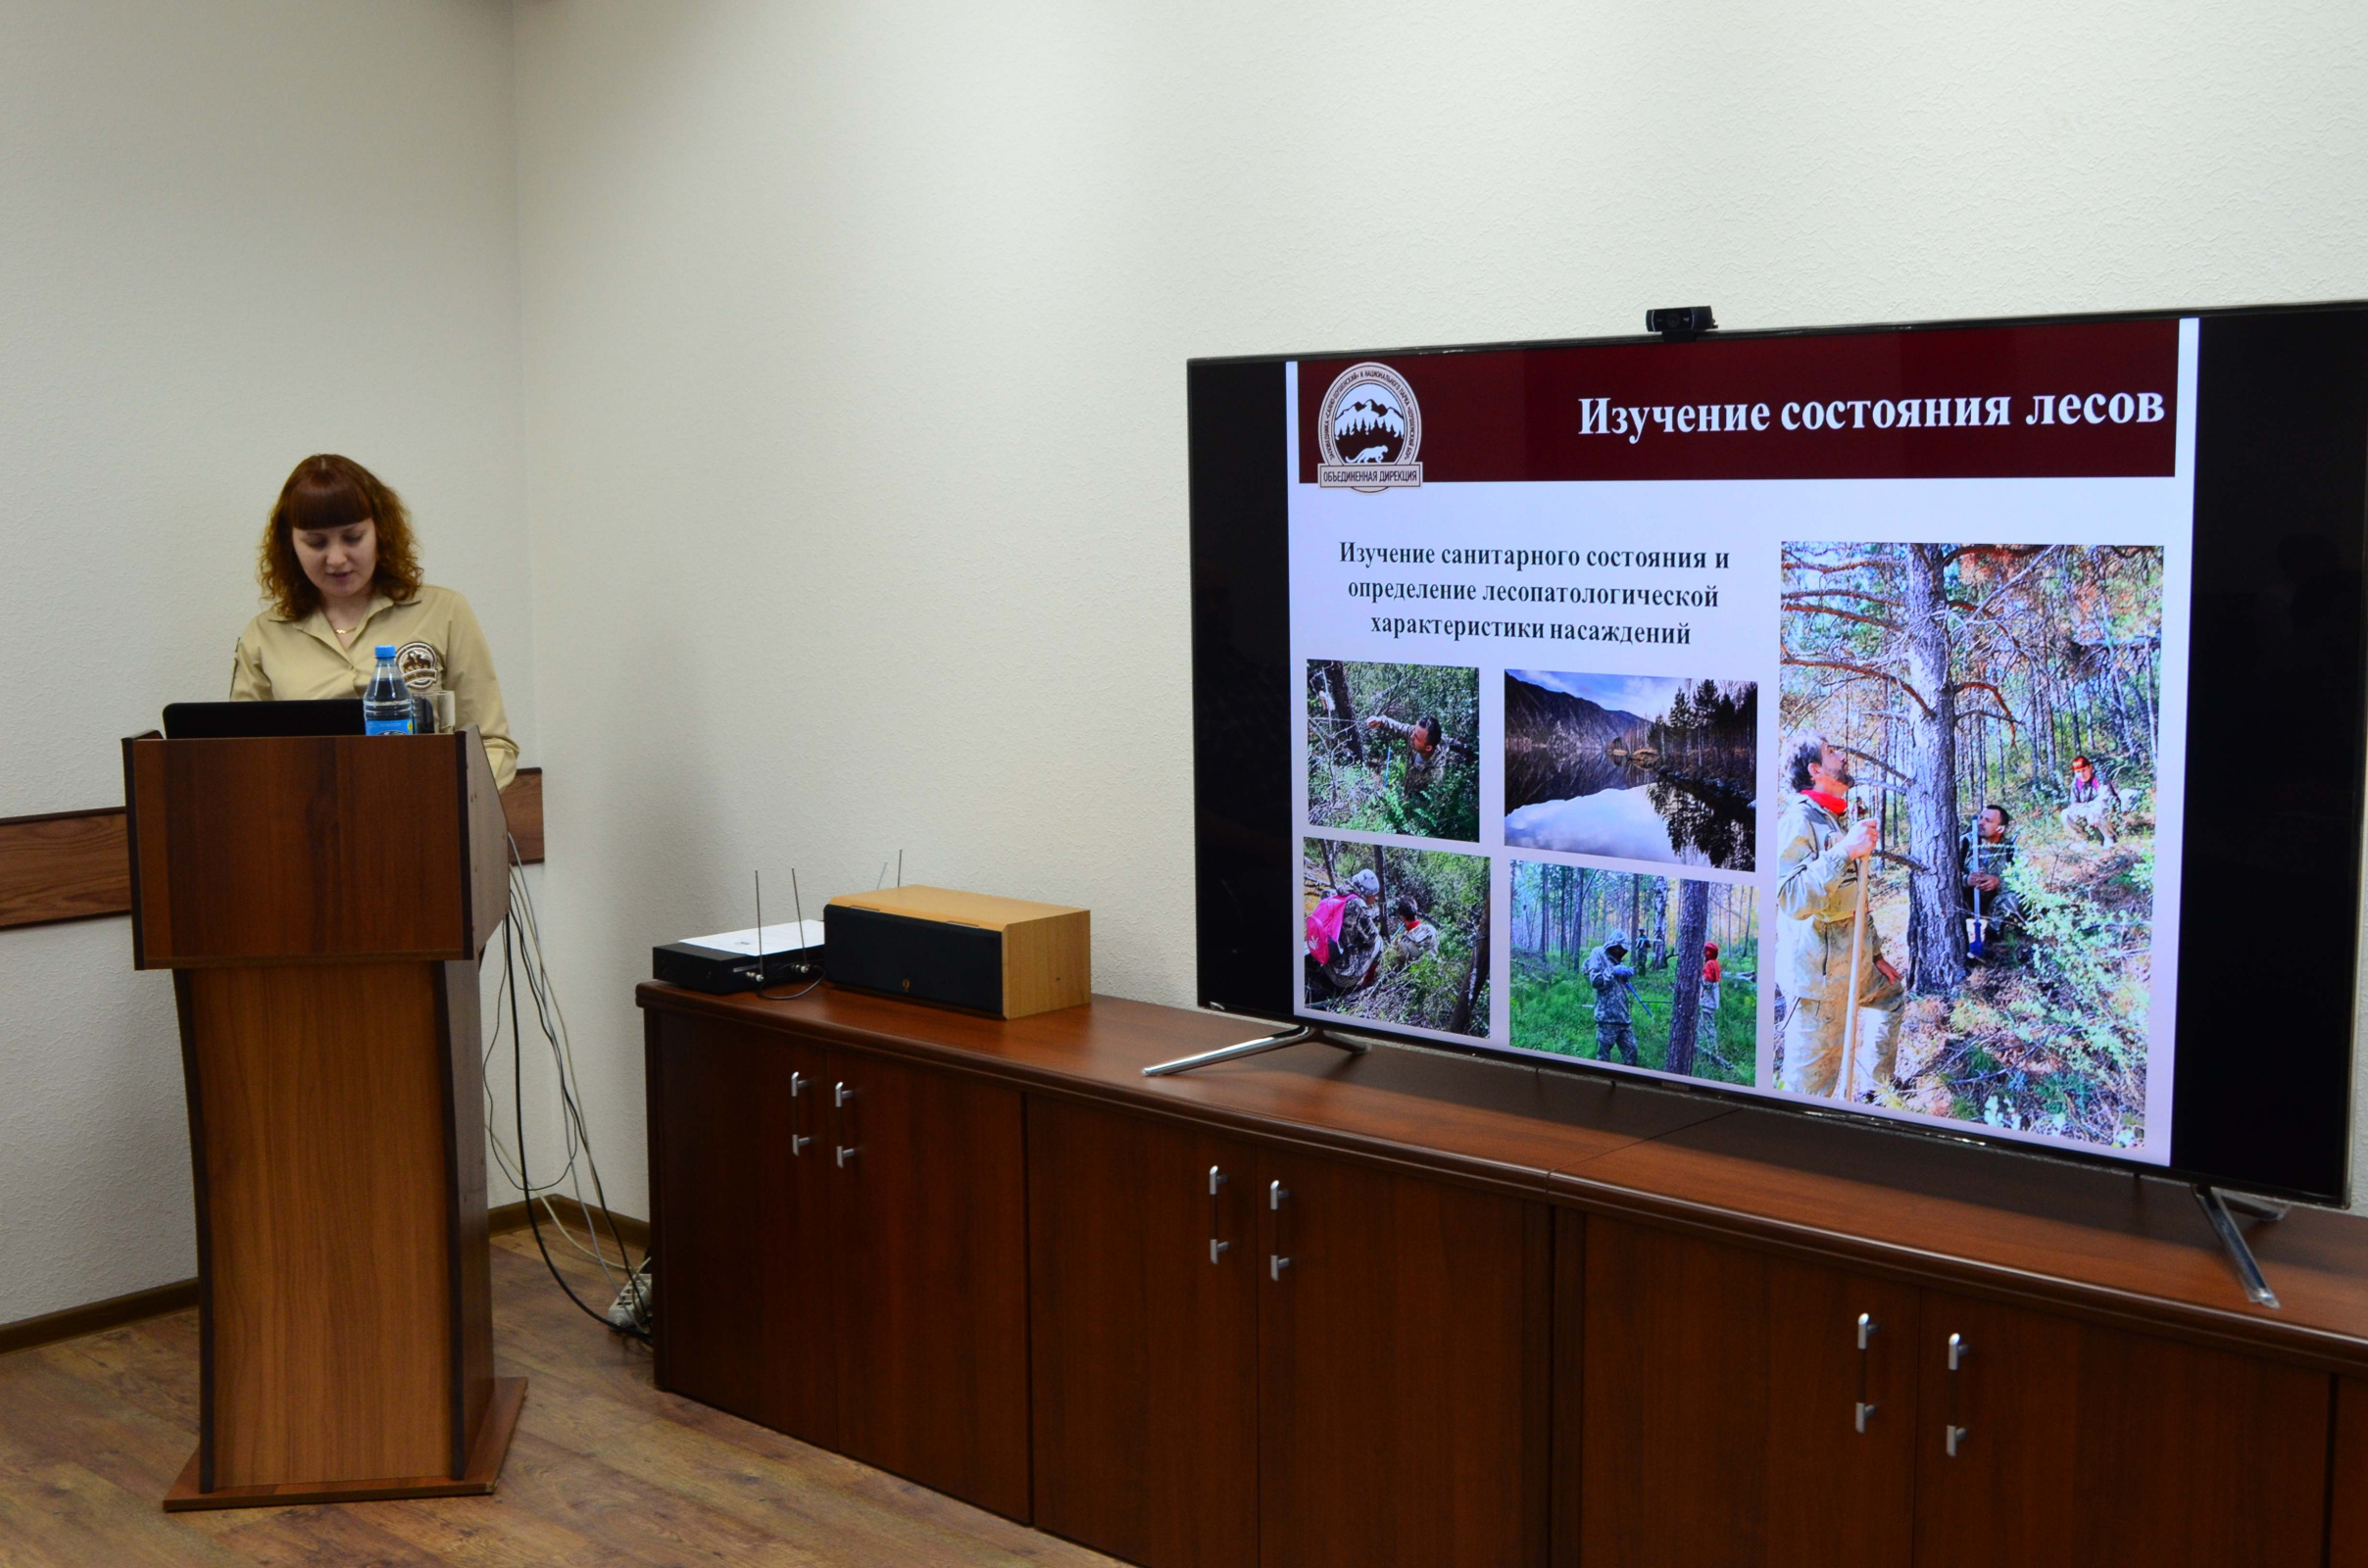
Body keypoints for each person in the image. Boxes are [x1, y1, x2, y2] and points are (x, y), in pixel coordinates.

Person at [230, 454, 518, 788]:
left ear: (381, 531)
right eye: (316, 542)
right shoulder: (263, 635)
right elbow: (242, 756)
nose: (337, 559)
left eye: (353, 537)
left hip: (428, 808)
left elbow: (492, 745)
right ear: (289, 544)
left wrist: (447, 795)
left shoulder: (445, 611)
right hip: (309, 811)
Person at [1774, 738, 1903, 1099]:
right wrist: (1845, 851)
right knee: (1810, 1093)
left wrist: (1875, 955)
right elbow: (1791, 897)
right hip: (1818, 981)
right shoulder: (1798, 820)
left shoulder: (1834, 818)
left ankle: (1874, 1095)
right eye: (1831, 752)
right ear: (1815, 770)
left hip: (1854, 965)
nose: (1842, 756)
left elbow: (1855, 897)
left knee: (1890, 995)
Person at [1306, 868, 1384, 998]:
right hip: (1341, 976)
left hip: (1323, 960)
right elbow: (1371, 938)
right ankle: (1367, 982)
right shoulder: (1358, 906)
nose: (1375, 898)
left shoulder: (1333, 893)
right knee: (1379, 942)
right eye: (1374, 895)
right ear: (1367, 893)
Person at [1961, 803, 2022, 957]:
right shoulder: (1965, 843)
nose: (1981, 823)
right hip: (1965, 901)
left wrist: (1998, 882)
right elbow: (1944, 876)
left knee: (2013, 899)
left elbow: (2022, 883)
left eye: (1987, 821)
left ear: (2000, 828)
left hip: (1994, 904)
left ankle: (1993, 940)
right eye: (1981, 818)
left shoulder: (2010, 850)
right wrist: (1967, 880)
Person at [1584, 930, 1642, 1065]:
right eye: (1618, 947)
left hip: (1623, 1018)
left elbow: (1617, 986)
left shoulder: (1618, 960)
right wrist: (1613, 971)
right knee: (1603, 1060)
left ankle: (1625, 1078)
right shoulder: (1598, 953)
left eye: (1622, 949)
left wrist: (1626, 975)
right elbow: (1596, 982)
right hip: (1606, 1018)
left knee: (1632, 1053)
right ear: (1613, 944)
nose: (1620, 951)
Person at [1363, 713, 1456, 798]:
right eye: (1414, 731)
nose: (1411, 736)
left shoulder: (1436, 773)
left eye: (1416, 737)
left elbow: (1432, 804)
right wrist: (1381, 722)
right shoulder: (1417, 734)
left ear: (1428, 748)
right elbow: (1400, 728)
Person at [2060, 756, 2119, 845]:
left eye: (2084, 770)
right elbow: (2073, 805)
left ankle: (2109, 837)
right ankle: (2083, 839)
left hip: (2107, 813)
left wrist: (2092, 811)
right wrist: (2088, 813)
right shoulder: (2076, 783)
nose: (2081, 774)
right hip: (2088, 815)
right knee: (2065, 814)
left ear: (2090, 768)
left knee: (2100, 808)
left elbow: (2105, 799)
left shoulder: (2099, 779)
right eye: (2078, 772)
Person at [1384, 894, 1440, 968]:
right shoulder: (1431, 929)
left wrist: (1393, 945)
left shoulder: (1403, 945)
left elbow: (1396, 964)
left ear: (1402, 916)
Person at [1701, 942, 1721, 1027]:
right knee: (1709, 1022)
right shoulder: (1715, 963)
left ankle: (1709, 1036)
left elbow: (1707, 983)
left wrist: (1699, 978)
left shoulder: (1709, 964)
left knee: (1707, 1025)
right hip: (1713, 1000)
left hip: (1708, 1001)